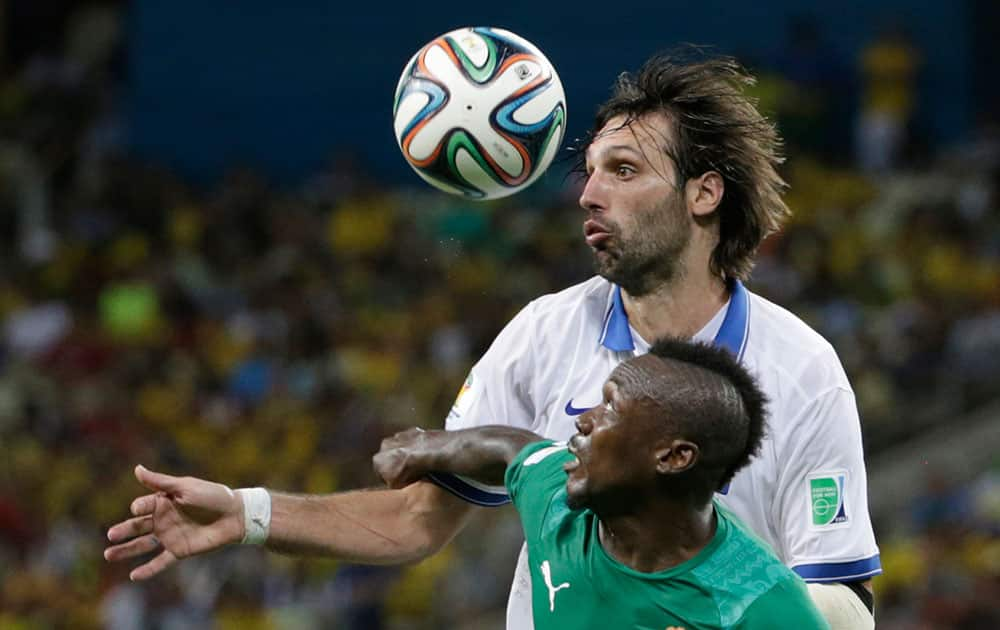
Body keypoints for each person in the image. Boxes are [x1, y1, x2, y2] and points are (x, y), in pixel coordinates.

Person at [106, 51, 880, 629]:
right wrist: (247, 513)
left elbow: (842, 604)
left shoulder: (801, 371)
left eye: (624, 169)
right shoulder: (543, 335)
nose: (588, 193)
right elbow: (416, 520)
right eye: (588, 171)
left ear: (704, 192)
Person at [376, 339, 829, 628]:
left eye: (609, 408)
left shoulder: (761, 605)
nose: (584, 420)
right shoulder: (560, 505)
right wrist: (426, 445)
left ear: (673, 457)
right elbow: (511, 450)